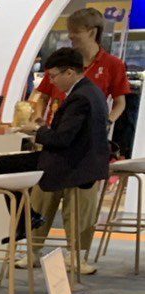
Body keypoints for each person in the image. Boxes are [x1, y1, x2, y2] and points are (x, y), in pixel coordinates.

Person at [14, 47, 112, 272]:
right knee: (63, 206)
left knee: (45, 200)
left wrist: (37, 131)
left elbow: (62, 138)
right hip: (82, 163)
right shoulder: (92, 92)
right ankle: (66, 255)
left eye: (53, 75)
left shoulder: (80, 97)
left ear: (69, 72)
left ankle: (41, 252)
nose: (51, 81)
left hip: (73, 166)